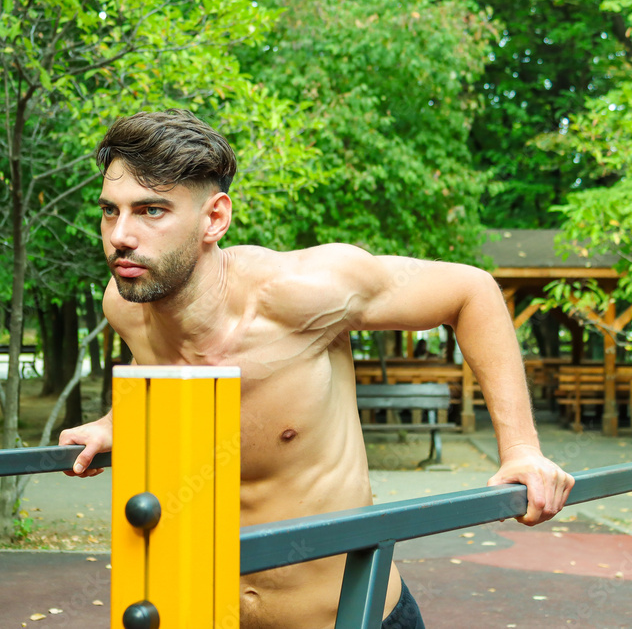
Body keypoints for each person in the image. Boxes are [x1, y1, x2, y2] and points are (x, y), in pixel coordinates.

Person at [59, 110, 575, 628]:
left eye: (150, 211)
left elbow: (473, 292)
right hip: (210, 615)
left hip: (348, 617)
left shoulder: (301, 294)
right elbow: (161, 370)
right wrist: (117, 420)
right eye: (110, 211)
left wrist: (522, 450)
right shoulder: (126, 305)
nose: (120, 235)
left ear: (214, 219)